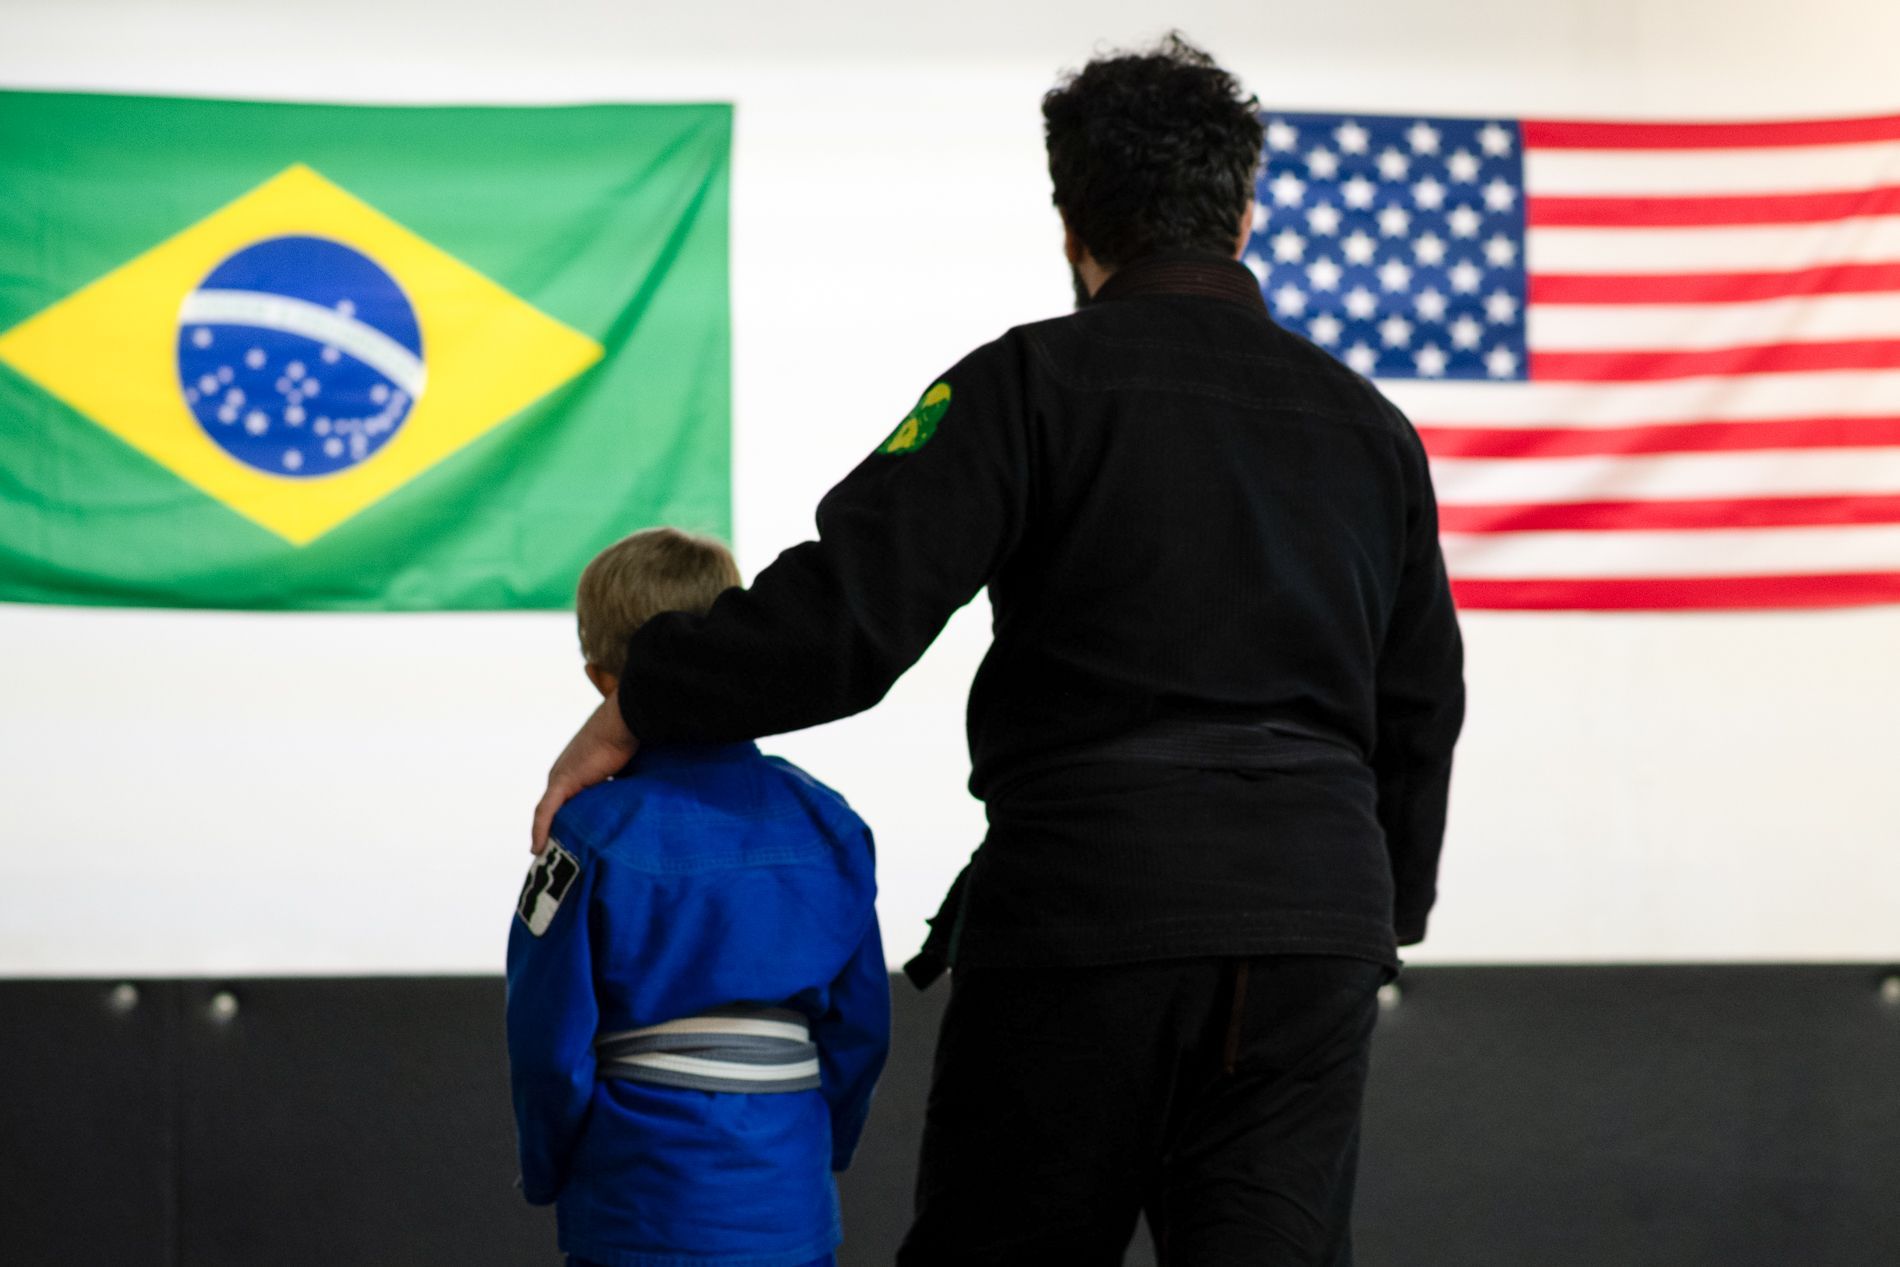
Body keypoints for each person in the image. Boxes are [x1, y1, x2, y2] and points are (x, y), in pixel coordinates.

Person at [532, 36, 1464, 1266]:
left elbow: (841, 625)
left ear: (1071, 218)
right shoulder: (1369, 428)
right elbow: (1420, 708)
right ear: (1242, 212)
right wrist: (1368, 912)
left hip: (1094, 906)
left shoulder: (1028, 385)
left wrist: (644, 693)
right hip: (1311, 926)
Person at [507, 527, 890, 1267]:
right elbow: (860, 1029)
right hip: (788, 1203)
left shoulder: (585, 833)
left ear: (600, 680)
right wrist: (818, 1144)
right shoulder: (830, 823)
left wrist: (551, 1163)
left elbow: (548, 1038)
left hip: (638, 1204)